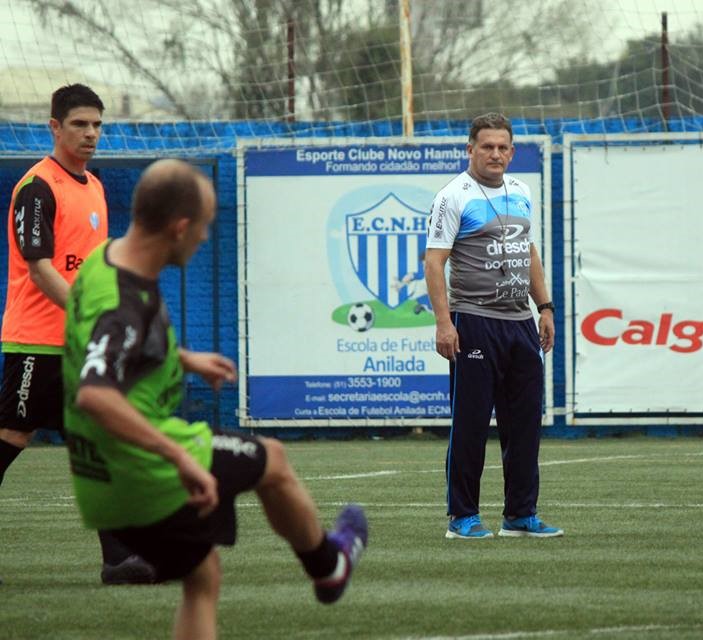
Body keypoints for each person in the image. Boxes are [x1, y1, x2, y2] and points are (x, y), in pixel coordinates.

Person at [63, 159, 367, 638]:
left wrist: (183, 358)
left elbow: (108, 345)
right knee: (274, 459)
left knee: (202, 576)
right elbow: (95, 394)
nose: (204, 238)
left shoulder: (102, 261)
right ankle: (329, 566)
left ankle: (326, 565)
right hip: (143, 468)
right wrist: (179, 457)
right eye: (203, 227)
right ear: (179, 227)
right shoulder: (125, 301)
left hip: (96, 474)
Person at [0, 83, 155, 584]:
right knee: (11, 438)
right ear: (54, 127)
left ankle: (120, 560)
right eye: (79, 125)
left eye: (96, 125)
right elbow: (41, 268)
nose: (90, 134)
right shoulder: (37, 187)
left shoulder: (93, 187)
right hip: (36, 344)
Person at [425, 112, 563, 539]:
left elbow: (530, 251)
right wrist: (445, 324)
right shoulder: (454, 196)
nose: (496, 154)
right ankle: (461, 517)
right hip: (475, 322)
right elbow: (434, 262)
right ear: (470, 149)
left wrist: (545, 307)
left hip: (520, 323)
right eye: (487, 146)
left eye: (503, 147)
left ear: (512, 151)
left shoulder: (522, 191)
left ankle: (520, 515)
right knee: (470, 424)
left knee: (523, 426)